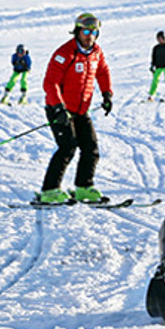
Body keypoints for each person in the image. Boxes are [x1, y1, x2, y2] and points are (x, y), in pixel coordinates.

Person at [39, 12, 113, 204]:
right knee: (67, 147)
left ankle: (83, 187)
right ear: (78, 31)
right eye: (86, 31)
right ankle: (50, 190)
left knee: (91, 147)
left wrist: (107, 94)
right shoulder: (65, 53)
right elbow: (50, 82)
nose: (90, 36)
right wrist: (58, 107)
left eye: (94, 32)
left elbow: (102, 72)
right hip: (60, 109)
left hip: (81, 110)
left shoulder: (96, 52)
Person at [148, 31, 165, 101]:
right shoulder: (156, 48)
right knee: (155, 80)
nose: (159, 40)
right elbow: (153, 57)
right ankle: (151, 95)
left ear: (163, 38)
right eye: (158, 39)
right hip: (158, 66)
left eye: (160, 38)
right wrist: (152, 65)